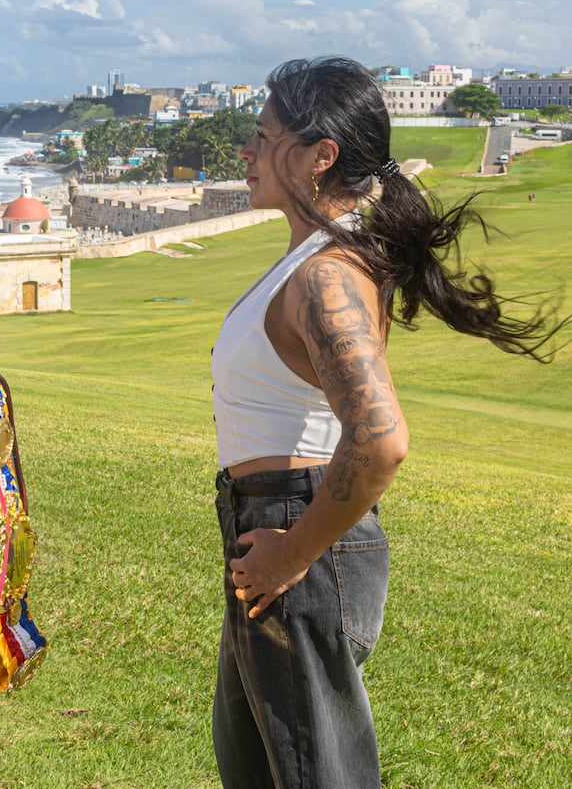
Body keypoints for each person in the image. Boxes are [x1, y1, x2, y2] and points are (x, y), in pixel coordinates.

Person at [210, 56, 566, 788]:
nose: (246, 151)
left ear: (319, 156)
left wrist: (293, 553)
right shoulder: (311, 260)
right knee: (262, 769)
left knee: (319, 775)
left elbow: (380, 439)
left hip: (296, 536)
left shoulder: (326, 275)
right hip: (274, 532)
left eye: (262, 133)